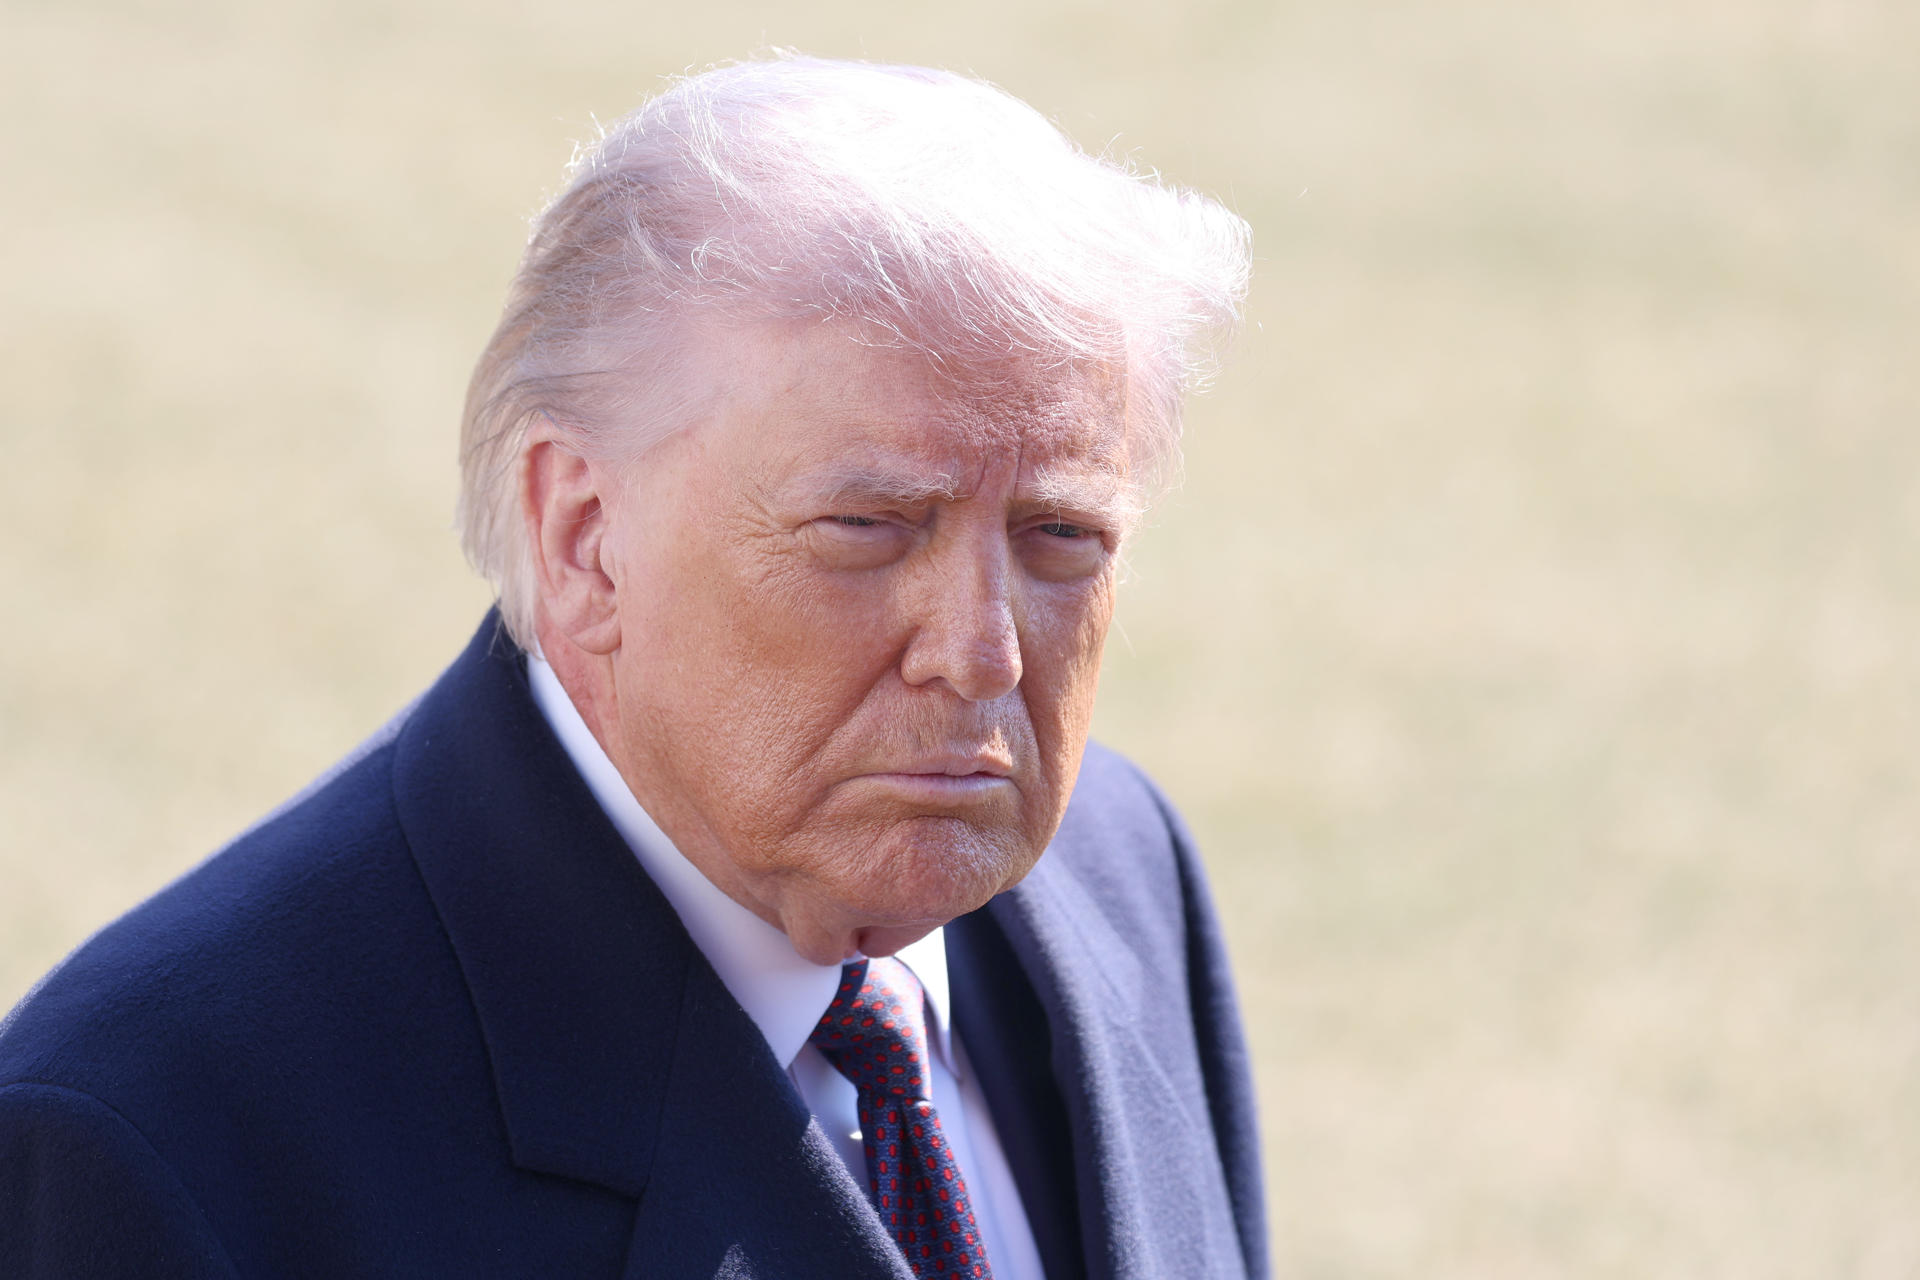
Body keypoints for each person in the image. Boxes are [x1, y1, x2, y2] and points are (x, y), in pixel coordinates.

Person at [0, 55, 1265, 1280]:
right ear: (584, 537)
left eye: (1062, 536)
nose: (980, 649)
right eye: (870, 529)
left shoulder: (1121, 871)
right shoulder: (153, 1140)